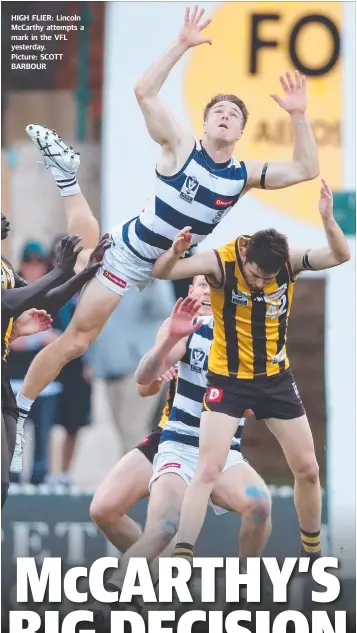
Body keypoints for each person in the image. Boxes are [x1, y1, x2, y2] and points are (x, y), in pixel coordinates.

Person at [14, 3, 319, 469]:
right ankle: (19, 413)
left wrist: (298, 115)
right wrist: (182, 43)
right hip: (130, 258)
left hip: (168, 266)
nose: (223, 116)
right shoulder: (181, 148)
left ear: (240, 131)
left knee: (77, 263)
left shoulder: (240, 175)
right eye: (216, 110)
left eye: (232, 115)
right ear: (203, 123)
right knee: (75, 339)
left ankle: (69, 181)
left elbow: (305, 169)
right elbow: (144, 90)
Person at [151, 179, 351, 564]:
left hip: (275, 379)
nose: (260, 283)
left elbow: (340, 255)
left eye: (267, 279)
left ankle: (312, 553)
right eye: (256, 275)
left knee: (308, 468)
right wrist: (176, 254)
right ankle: (182, 557)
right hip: (228, 380)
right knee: (208, 469)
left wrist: (327, 221)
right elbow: (162, 271)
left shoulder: (287, 261)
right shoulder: (220, 260)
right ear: (246, 257)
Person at [89, 278, 271, 623]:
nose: (204, 291)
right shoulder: (183, 328)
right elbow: (144, 384)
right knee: (107, 510)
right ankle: (146, 578)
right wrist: (163, 360)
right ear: (189, 291)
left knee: (258, 505)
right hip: (172, 437)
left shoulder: (245, 337)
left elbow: (255, 404)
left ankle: (240, 596)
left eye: (212, 286)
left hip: (218, 447)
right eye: (199, 285)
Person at [1, 213, 110, 508]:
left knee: (3, 483)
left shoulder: (4, 265)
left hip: (3, 384)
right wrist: (60, 270)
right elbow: (6, 303)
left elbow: (44, 299)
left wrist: (85, 272)